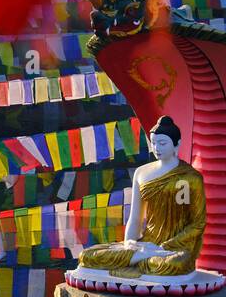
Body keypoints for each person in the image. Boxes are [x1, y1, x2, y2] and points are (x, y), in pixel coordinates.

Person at [77, 115, 205, 277]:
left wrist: (164, 247)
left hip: (173, 249)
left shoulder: (190, 178)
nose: (157, 148)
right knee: (87, 256)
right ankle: (139, 257)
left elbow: (197, 224)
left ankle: (140, 258)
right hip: (146, 244)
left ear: (177, 145)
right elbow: (136, 217)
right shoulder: (142, 172)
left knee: (173, 264)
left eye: (163, 143)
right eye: (153, 143)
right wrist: (129, 243)